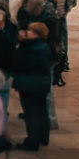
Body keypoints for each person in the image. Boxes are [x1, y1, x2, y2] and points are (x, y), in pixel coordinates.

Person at [13, 22, 52, 151]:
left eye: (30, 31)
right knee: (41, 111)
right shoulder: (43, 46)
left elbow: (22, 62)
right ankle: (42, 137)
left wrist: (22, 44)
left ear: (36, 34)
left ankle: (32, 141)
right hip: (41, 83)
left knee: (32, 113)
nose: (27, 32)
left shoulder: (32, 47)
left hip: (30, 83)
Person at [39, 0, 75, 67]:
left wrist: (67, 10)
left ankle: (64, 61)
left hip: (60, 16)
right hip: (48, 17)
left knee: (63, 38)